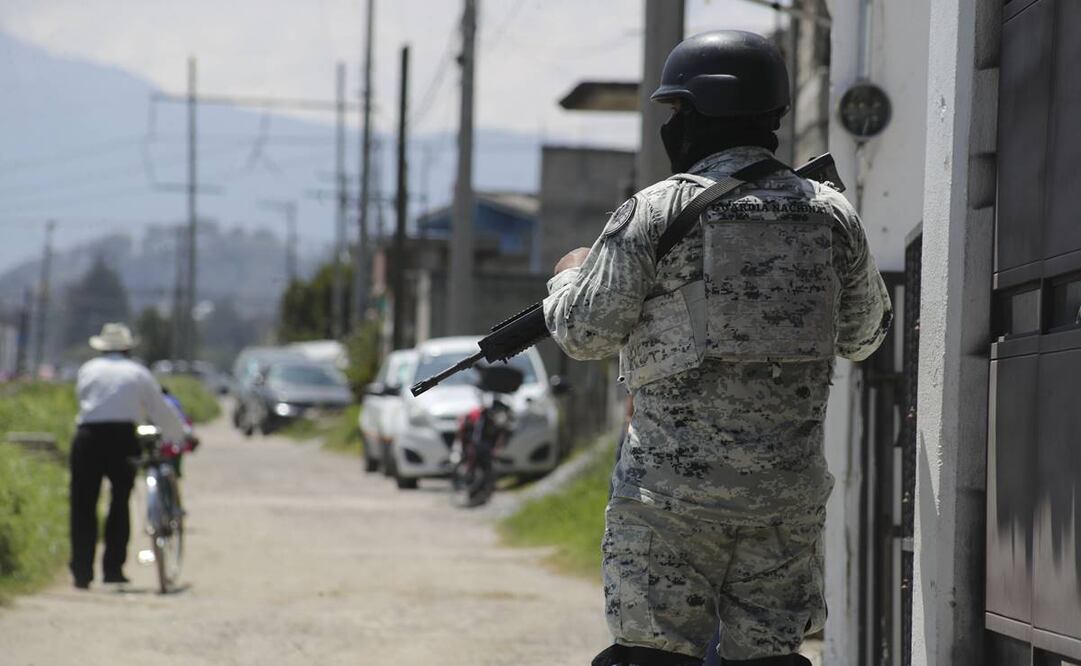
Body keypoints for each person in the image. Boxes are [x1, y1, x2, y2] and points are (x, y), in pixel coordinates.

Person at [542, 31, 892, 666]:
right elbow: (866, 335)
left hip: (670, 503)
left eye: (678, 109)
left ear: (705, 110)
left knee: (652, 658)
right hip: (784, 503)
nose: (672, 124)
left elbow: (585, 332)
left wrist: (569, 276)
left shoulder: (656, 211)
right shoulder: (833, 215)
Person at [69, 322, 186, 589]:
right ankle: (113, 569)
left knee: (83, 504)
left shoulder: (88, 370)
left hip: (87, 436)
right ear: (127, 349)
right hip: (122, 438)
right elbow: (159, 408)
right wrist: (178, 435)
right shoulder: (137, 372)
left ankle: (81, 570)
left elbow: (83, 400)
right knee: (120, 501)